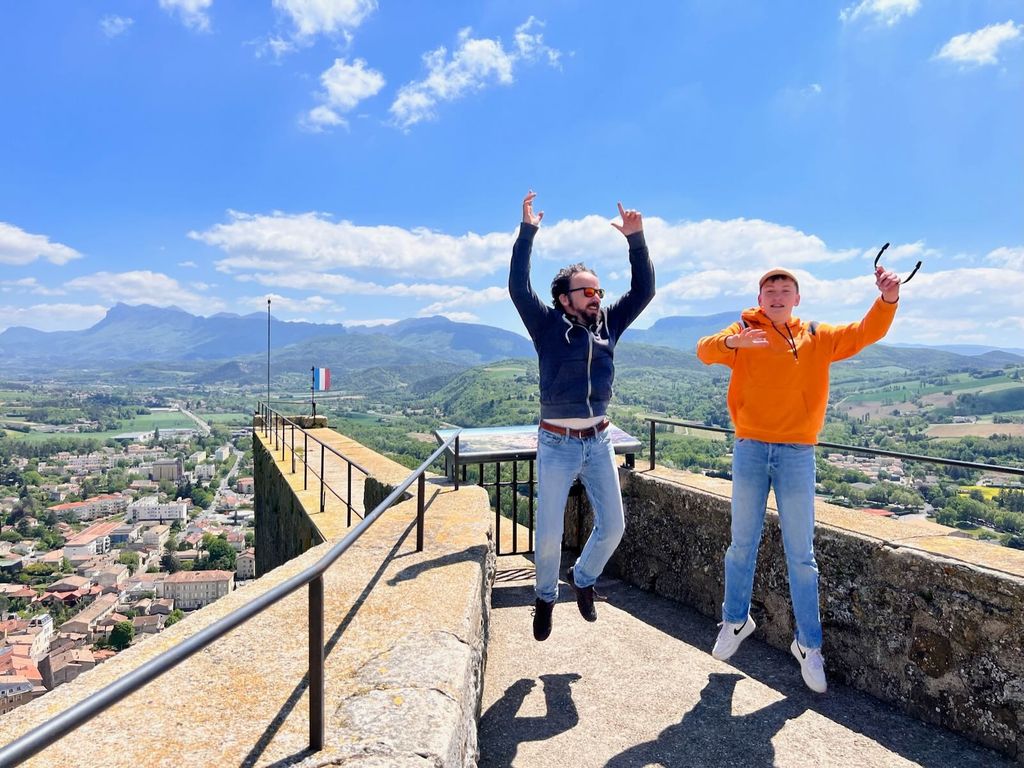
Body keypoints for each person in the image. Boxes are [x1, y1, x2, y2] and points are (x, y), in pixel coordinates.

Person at [696, 263, 902, 692]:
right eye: (769, 288)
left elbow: (866, 332)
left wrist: (887, 299)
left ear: (796, 298)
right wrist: (733, 340)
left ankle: (809, 645)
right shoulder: (743, 333)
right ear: (759, 298)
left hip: (797, 453)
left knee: (802, 555)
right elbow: (705, 350)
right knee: (740, 545)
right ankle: (735, 621)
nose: (776, 294)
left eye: (784, 288)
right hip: (751, 448)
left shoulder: (817, 336)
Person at [509, 190, 655, 641]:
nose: (596, 297)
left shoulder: (609, 323)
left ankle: (585, 578)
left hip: (598, 440)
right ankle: (545, 597)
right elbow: (517, 286)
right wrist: (527, 232)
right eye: (587, 291)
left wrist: (637, 240)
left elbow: (645, 290)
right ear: (564, 298)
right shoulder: (547, 325)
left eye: (598, 291)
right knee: (549, 532)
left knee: (614, 526)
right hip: (555, 442)